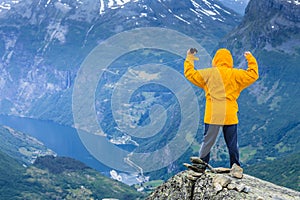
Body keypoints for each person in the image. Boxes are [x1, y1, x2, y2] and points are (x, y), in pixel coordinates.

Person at [184, 48, 259, 178]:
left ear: (215, 60)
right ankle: (235, 167)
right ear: (230, 60)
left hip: (212, 115)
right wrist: (250, 59)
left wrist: (190, 57)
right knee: (232, 143)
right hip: (229, 115)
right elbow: (253, 75)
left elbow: (190, 73)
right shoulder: (236, 74)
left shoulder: (208, 74)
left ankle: (200, 167)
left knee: (207, 142)